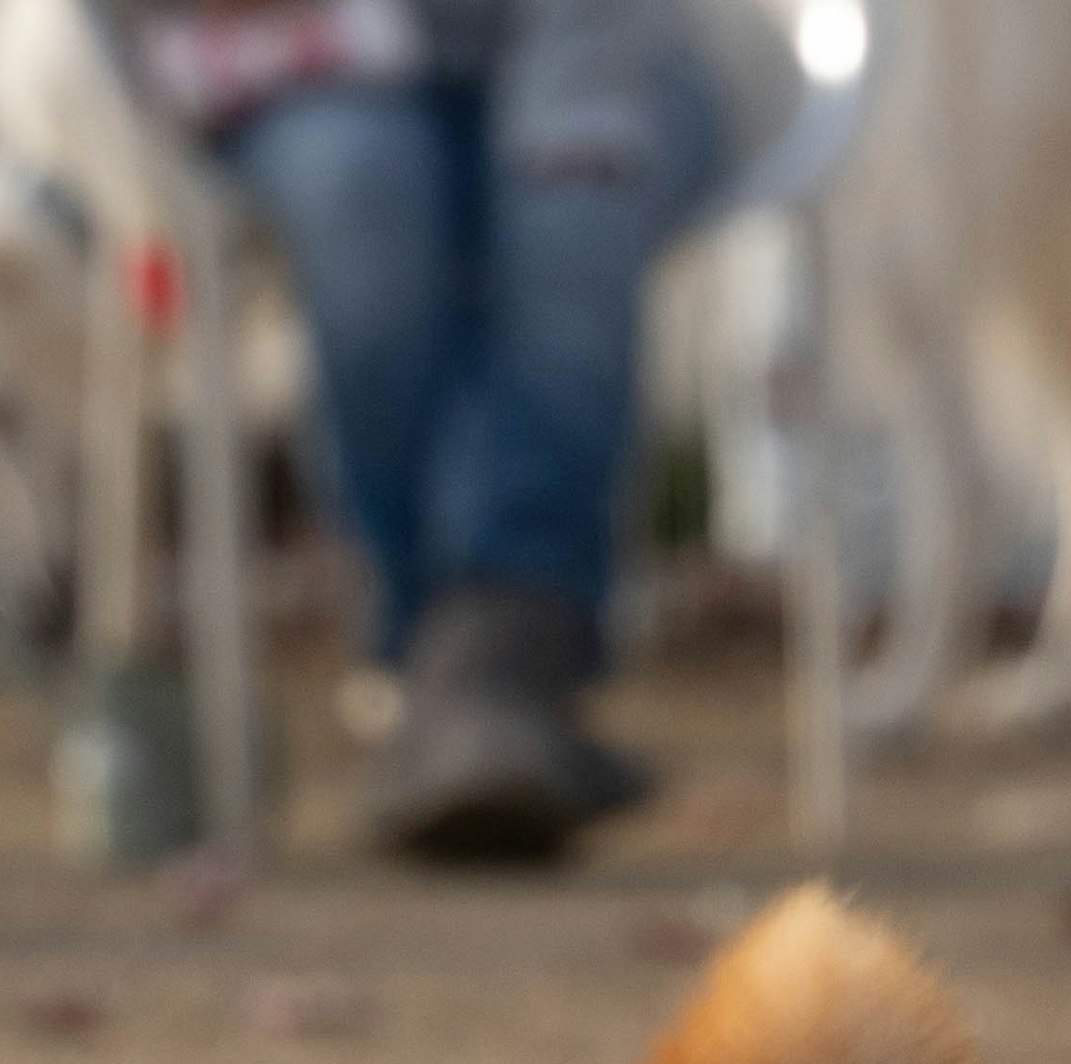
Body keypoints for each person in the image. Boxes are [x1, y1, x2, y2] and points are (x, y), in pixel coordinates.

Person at [140, 1, 732, 860]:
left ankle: (484, 659)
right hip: (302, 57)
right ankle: (477, 667)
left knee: (574, 183)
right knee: (361, 192)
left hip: (597, 35)